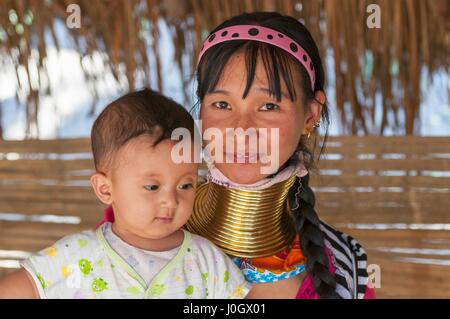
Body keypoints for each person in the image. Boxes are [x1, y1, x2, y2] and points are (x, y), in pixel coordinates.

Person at [101, 12, 376, 299]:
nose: (241, 129)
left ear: (310, 115)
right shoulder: (133, 235)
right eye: (222, 104)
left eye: (269, 106)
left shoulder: (345, 268)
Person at [0, 89, 251, 299]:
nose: (170, 200)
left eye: (185, 185)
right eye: (152, 187)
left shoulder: (208, 261)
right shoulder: (77, 255)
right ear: (105, 189)